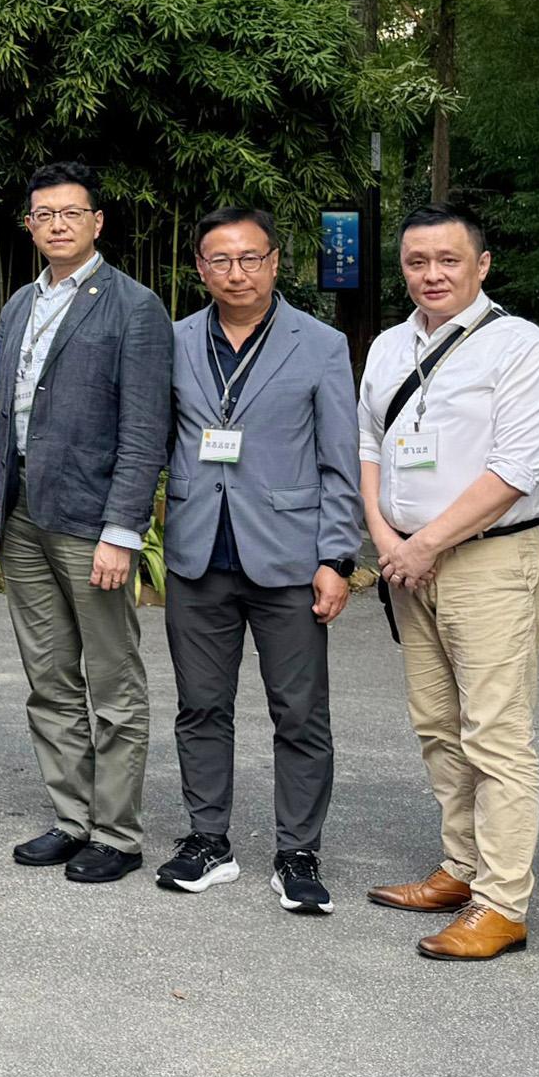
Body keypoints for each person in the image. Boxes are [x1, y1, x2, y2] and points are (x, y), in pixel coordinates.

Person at [359, 205, 539, 961]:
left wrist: (429, 543)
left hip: (491, 560)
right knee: (438, 726)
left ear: (482, 265)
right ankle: (460, 865)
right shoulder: (388, 345)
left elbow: (517, 467)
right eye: (417, 262)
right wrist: (388, 539)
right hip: (408, 561)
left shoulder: (520, 347)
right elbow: (368, 445)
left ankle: (502, 903)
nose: (432, 275)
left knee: (496, 734)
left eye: (448, 260)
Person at [153, 208, 360, 916]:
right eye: (219, 261)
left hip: (290, 555)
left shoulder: (321, 343)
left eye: (249, 258)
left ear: (276, 260)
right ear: (200, 269)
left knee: (300, 712)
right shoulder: (173, 339)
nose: (235, 273)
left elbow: (339, 460)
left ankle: (297, 851)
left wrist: (338, 556)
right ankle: (207, 840)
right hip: (196, 551)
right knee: (200, 707)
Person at [0, 160, 172, 884]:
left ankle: (118, 833)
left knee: (113, 679)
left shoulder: (132, 306)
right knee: (49, 677)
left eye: (71, 213)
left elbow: (144, 427)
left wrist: (124, 529)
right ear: (29, 225)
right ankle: (72, 819)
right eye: (44, 214)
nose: (57, 224)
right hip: (24, 512)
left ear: (97, 222)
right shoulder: (16, 306)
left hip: (93, 520)